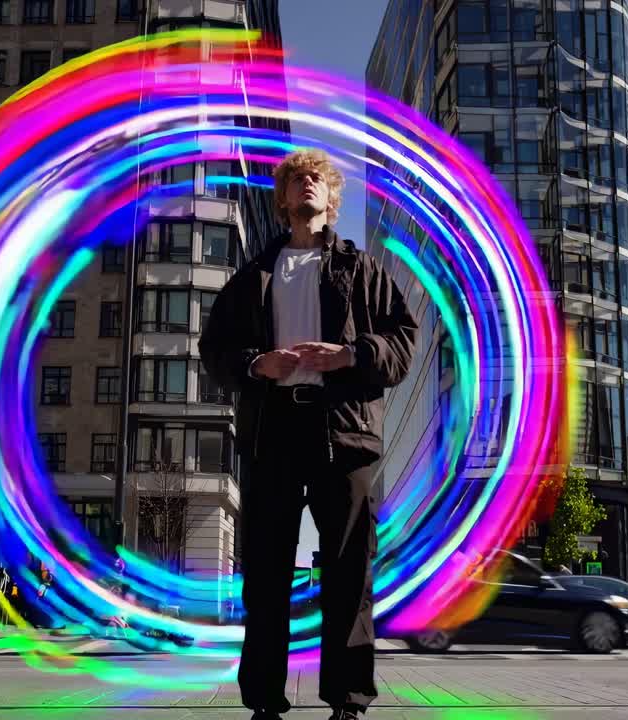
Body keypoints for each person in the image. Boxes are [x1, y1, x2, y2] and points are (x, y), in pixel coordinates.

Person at [199, 149, 418, 720]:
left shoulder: (361, 267)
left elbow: (402, 342)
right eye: (296, 178)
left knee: (349, 570)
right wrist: (255, 364)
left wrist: (349, 354)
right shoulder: (254, 275)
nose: (307, 183)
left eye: (316, 177)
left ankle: (348, 699)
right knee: (266, 573)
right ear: (283, 199)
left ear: (331, 196)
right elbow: (213, 350)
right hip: (273, 430)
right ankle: (265, 701)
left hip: (344, 433)